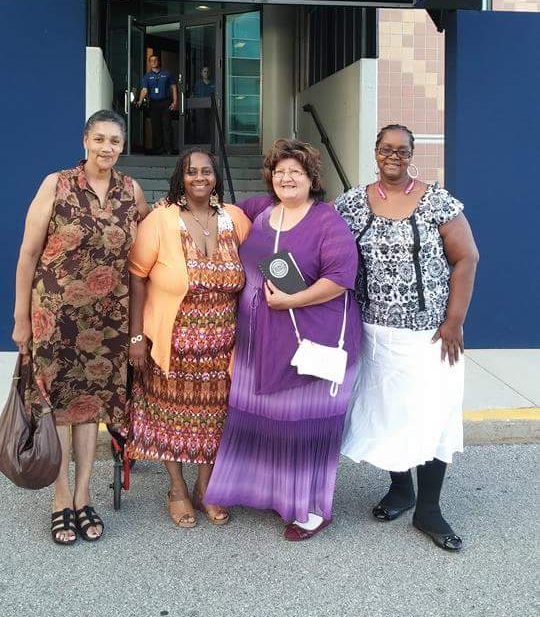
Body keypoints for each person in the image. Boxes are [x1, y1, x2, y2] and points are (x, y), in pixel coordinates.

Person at [204, 138, 361, 541]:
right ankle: (263, 493)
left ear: (311, 178)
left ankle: (310, 508)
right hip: (259, 341)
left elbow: (340, 279)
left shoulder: (327, 221)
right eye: (279, 172)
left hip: (313, 338)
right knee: (259, 417)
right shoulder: (259, 211)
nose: (286, 178)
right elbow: (208, 207)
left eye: (295, 171)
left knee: (301, 425)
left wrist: (294, 298)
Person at [335, 124, 479, 552]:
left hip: (431, 334)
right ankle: (401, 489)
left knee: (432, 414)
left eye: (402, 149)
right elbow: (325, 250)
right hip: (374, 333)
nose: (393, 155)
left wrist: (454, 321)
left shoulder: (437, 201)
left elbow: (467, 257)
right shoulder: (352, 204)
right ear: (375, 152)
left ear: (412, 154)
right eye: (386, 148)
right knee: (388, 413)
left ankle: (429, 509)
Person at [11, 110, 149, 545]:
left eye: (115, 141)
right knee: (59, 412)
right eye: (100, 139)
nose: (107, 148)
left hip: (108, 321)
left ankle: (84, 495)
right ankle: (61, 499)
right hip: (56, 318)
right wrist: (20, 320)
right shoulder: (57, 184)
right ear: (85, 140)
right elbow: (28, 255)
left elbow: (147, 249)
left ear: (122, 147)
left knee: (92, 413)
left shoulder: (132, 192)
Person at [126, 148, 251, 528]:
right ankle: (177, 488)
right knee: (171, 416)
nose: (200, 177)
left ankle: (205, 487)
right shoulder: (161, 220)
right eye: (191, 171)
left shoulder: (236, 219)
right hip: (172, 341)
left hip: (223, 345)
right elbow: (136, 275)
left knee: (215, 419)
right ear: (181, 176)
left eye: (207, 171)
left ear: (215, 177)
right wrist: (136, 337)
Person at [136, 54, 177, 155]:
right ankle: (160, 148)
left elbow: (174, 88)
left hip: (165, 102)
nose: (154, 62)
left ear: (159, 62)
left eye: (155, 60)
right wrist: (140, 101)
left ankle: (169, 149)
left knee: (167, 125)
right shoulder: (147, 76)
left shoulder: (167, 73)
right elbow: (144, 90)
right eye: (151, 61)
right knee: (156, 126)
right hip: (154, 103)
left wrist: (175, 102)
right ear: (149, 63)